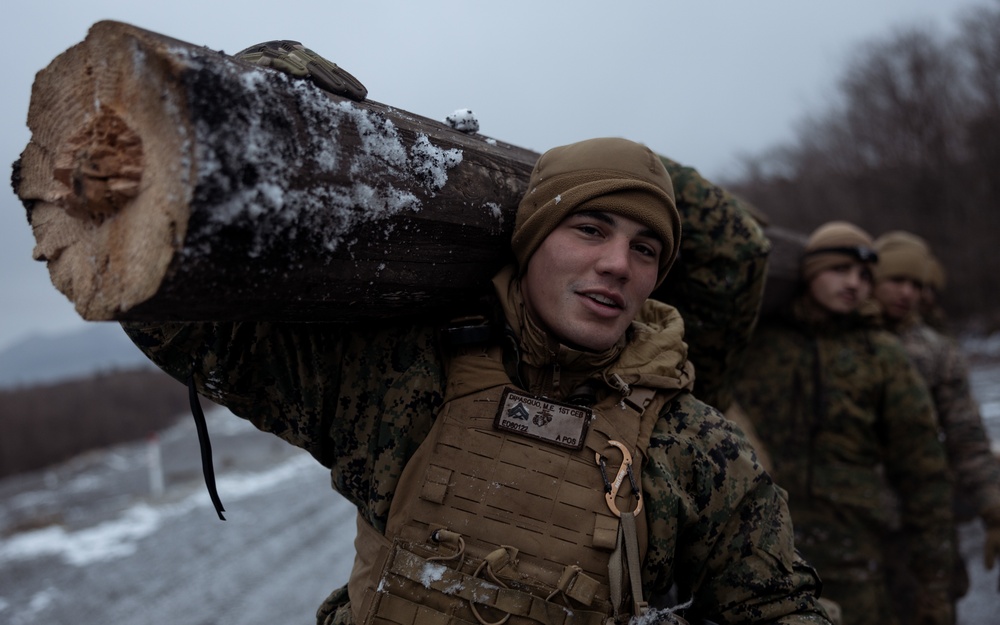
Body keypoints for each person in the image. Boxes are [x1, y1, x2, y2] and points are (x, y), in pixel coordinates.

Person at [124, 137, 832, 625]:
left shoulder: (695, 444)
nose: (619, 263)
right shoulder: (405, 378)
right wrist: (262, 99)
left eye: (645, 249)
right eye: (590, 228)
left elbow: (781, 606)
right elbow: (181, 324)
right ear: (531, 241)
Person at [731, 221, 956, 625]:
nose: (853, 283)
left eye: (865, 277)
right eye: (840, 270)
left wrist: (935, 582)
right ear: (810, 272)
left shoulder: (881, 354)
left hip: (855, 559)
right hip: (760, 555)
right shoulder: (758, 338)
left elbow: (923, 471)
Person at [871, 230, 1000, 619]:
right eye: (896, 281)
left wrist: (993, 507)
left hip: (921, 518)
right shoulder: (842, 341)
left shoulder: (936, 350)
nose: (906, 292)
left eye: (916, 284)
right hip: (853, 524)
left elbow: (966, 436)